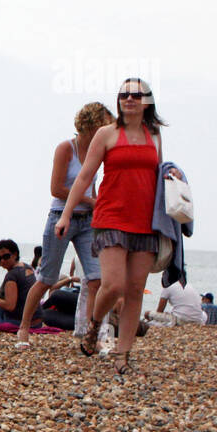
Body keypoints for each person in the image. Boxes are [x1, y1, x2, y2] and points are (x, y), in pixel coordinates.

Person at [56, 79, 173, 375]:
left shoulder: (155, 135)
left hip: (146, 221)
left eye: (136, 94)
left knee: (134, 290)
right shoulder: (106, 134)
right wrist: (65, 215)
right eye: (124, 94)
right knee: (113, 285)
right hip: (111, 217)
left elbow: (157, 177)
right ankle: (95, 323)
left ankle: (123, 354)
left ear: (147, 101)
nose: (129, 99)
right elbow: (84, 177)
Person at [16, 102, 113, 347]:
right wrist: (90, 200)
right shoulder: (66, 148)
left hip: (88, 221)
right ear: (93, 124)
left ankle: (90, 334)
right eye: (105, 124)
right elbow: (56, 188)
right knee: (46, 278)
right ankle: (24, 327)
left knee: (95, 279)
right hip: (61, 216)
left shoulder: (98, 151)